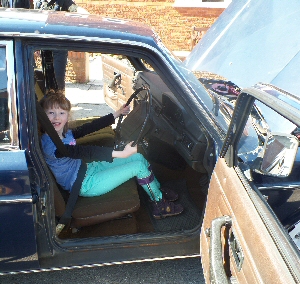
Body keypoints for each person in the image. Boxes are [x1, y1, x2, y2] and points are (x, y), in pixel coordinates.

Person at [39, 91, 184, 219]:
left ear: (67, 116)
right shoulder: (52, 146)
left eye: (61, 113)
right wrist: (121, 153)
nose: (56, 117)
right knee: (139, 166)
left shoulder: (63, 133)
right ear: (44, 116)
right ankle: (159, 206)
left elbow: (89, 127)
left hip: (87, 169)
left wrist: (117, 113)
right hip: (84, 183)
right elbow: (86, 151)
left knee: (138, 157)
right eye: (51, 113)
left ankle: (156, 191)